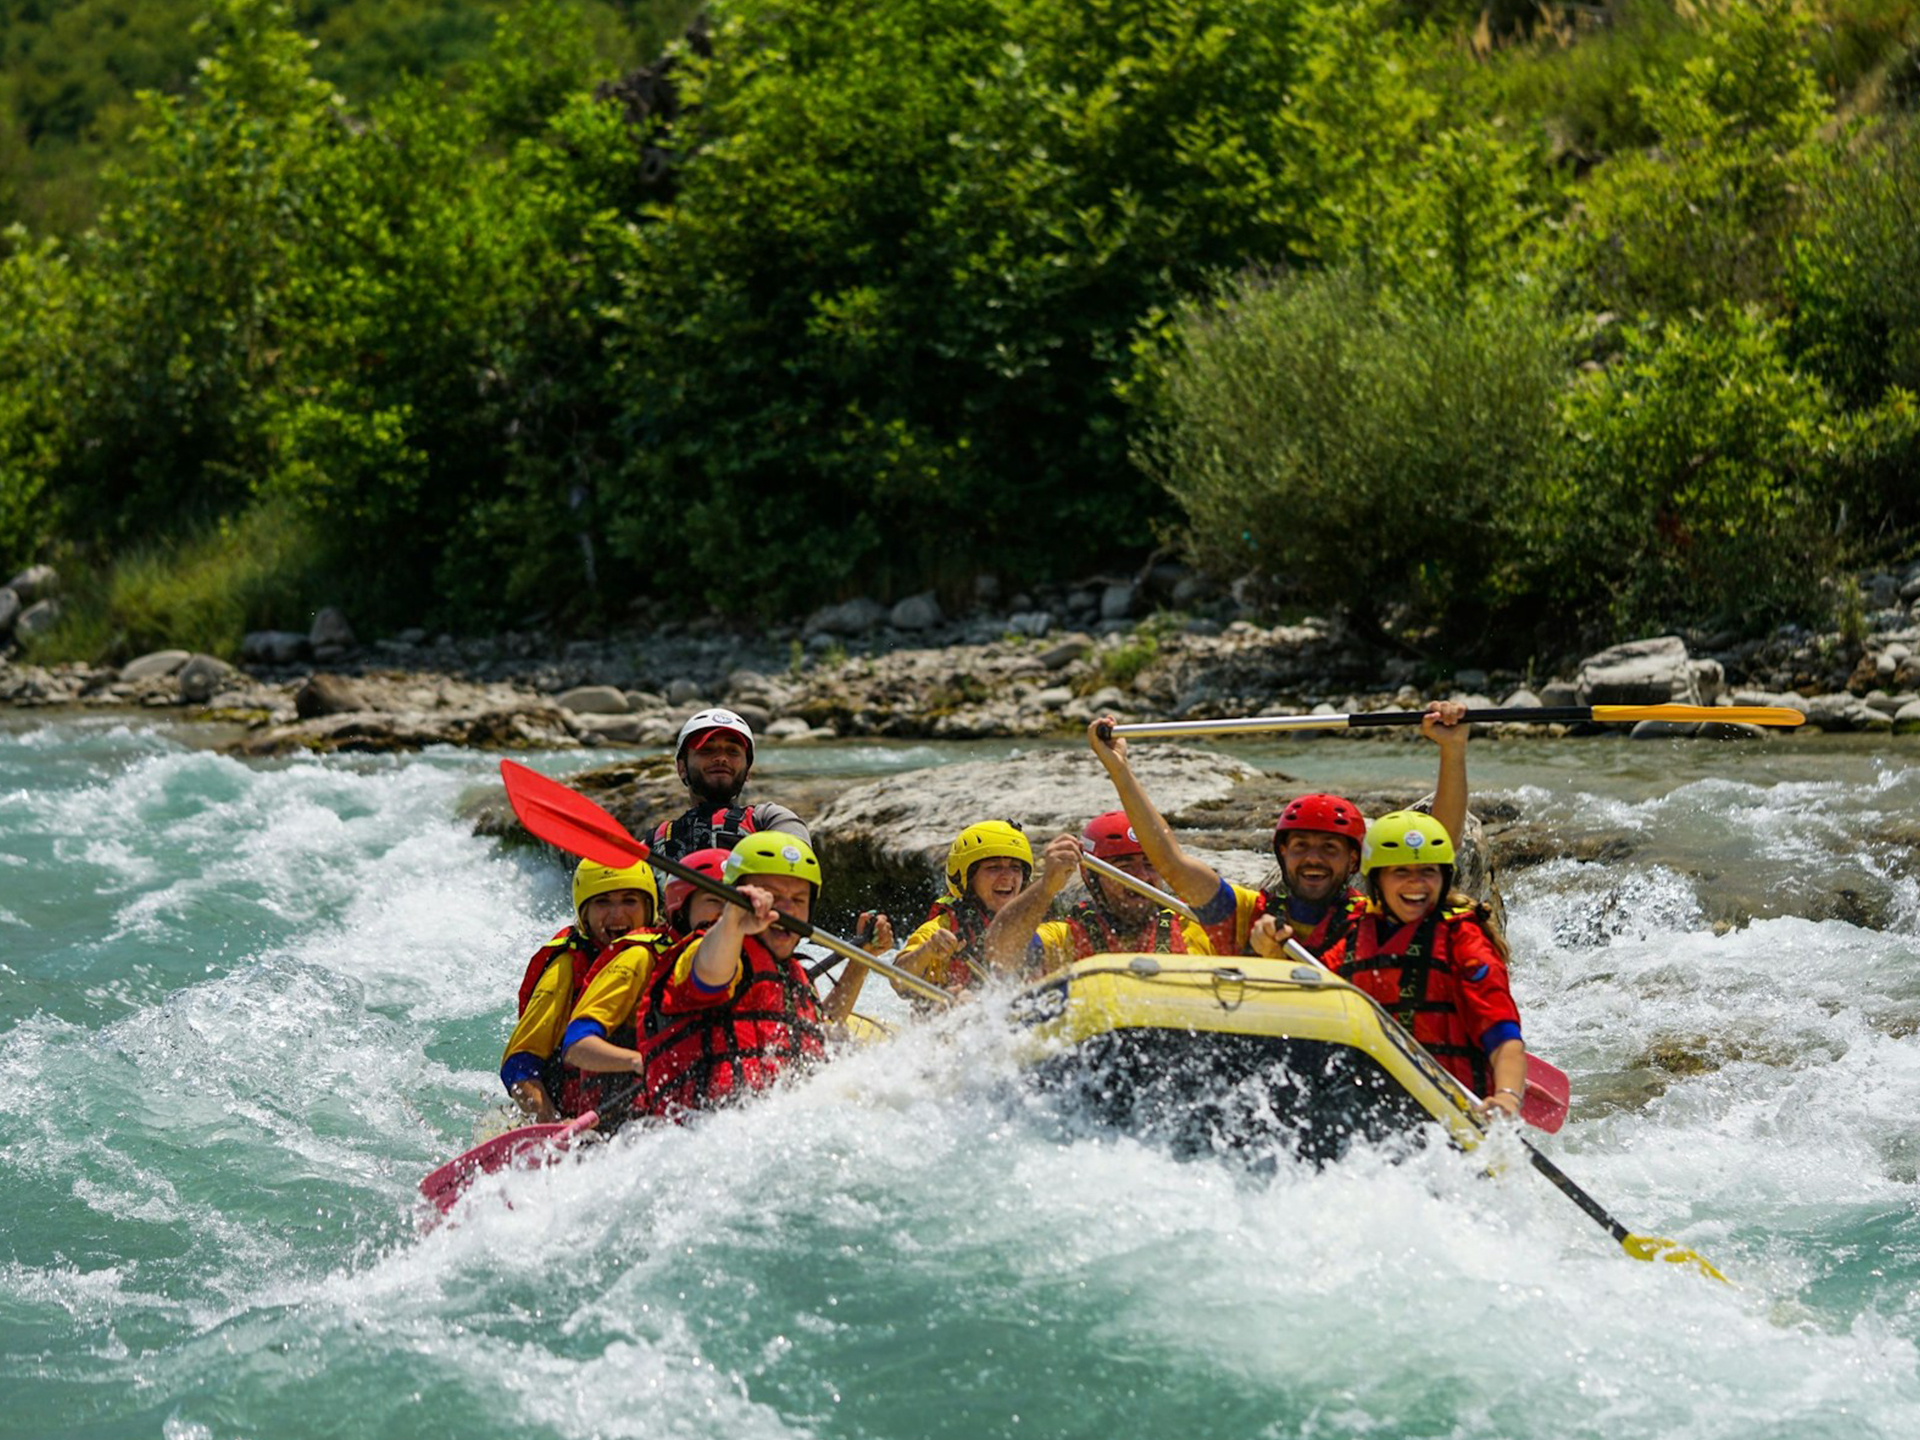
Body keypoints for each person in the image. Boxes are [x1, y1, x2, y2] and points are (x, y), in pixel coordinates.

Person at [1085, 702, 1470, 959]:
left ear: (1355, 860)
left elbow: (1438, 849)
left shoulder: (1375, 916)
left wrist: (1451, 751)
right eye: (1301, 845)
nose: (1313, 859)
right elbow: (1169, 862)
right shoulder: (1240, 912)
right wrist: (1120, 769)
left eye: (1330, 849)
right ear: (1282, 854)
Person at [564, 833, 830, 1122]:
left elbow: (822, 1038)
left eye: (798, 899)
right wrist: (731, 921)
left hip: (778, 1126)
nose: (786, 909)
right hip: (688, 1133)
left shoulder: (792, 972)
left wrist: (860, 961)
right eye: (772, 897)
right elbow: (711, 974)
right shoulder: (699, 951)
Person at [1322, 810, 1526, 1118]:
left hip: (1451, 1110)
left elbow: (1504, 1039)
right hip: (1372, 1107)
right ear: (1376, 880)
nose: (1416, 883)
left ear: (1444, 878)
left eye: (1428, 871)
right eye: (1400, 871)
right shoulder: (1353, 936)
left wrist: (1507, 1097)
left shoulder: (1463, 941)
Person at [498, 858, 666, 1122]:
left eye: (629, 900)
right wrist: (551, 1123)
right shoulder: (566, 968)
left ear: (649, 908)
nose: (617, 915)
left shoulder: (665, 953)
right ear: (584, 914)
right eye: (603, 902)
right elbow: (519, 1066)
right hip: (567, 1114)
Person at [981, 812, 1214, 974]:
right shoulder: (1067, 939)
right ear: (1092, 879)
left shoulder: (1196, 926)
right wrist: (1046, 887)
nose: (1141, 877)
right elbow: (999, 950)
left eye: (1149, 865)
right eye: (1124, 868)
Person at [891, 821, 1033, 998]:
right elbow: (897, 979)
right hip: (947, 1015)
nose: (1008, 877)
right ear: (967, 879)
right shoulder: (942, 928)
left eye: (1015, 868)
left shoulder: (1031, 922)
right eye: (993, 868)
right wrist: (927, 950)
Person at [651, 708, 809, 862]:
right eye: (707, 750)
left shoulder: (770, 820)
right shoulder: (656, 841)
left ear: (748, 770)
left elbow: (798, 868)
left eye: (732, 751)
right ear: (682, 767)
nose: (721, 758)